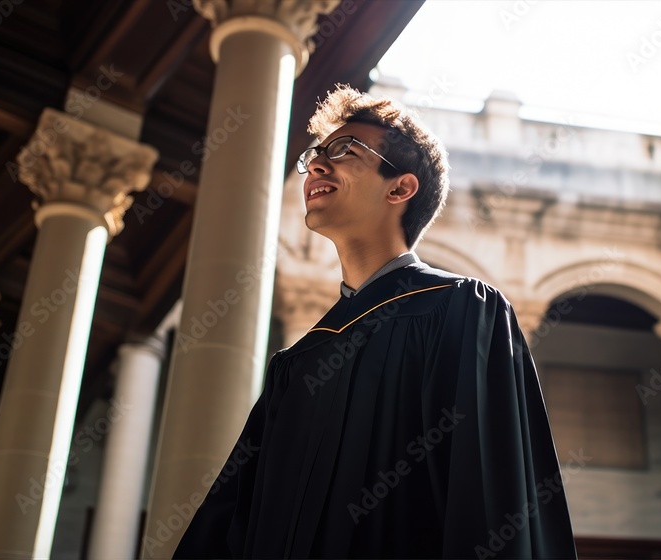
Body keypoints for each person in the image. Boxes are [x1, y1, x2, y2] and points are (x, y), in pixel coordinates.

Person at [173, 85, 577, 559]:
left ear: (401, 187)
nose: (316, 165)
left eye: (344, 151)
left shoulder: (462, 311)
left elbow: (491, 500)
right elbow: (232, 523)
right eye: (314, 155)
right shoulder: (299, 363)